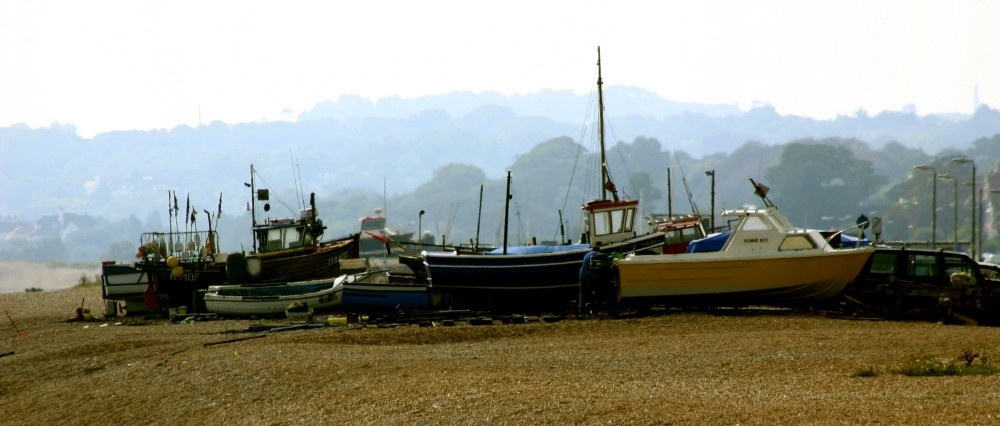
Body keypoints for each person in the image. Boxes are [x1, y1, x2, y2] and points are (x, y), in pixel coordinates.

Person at [578, 241, 604, 312]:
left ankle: (581, 308)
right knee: (596, 288)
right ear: (598, 250)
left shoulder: (586, 254)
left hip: (581, 274)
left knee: (582, 292)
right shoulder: (598, 254)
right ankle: (595, 305)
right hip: (588, 275)